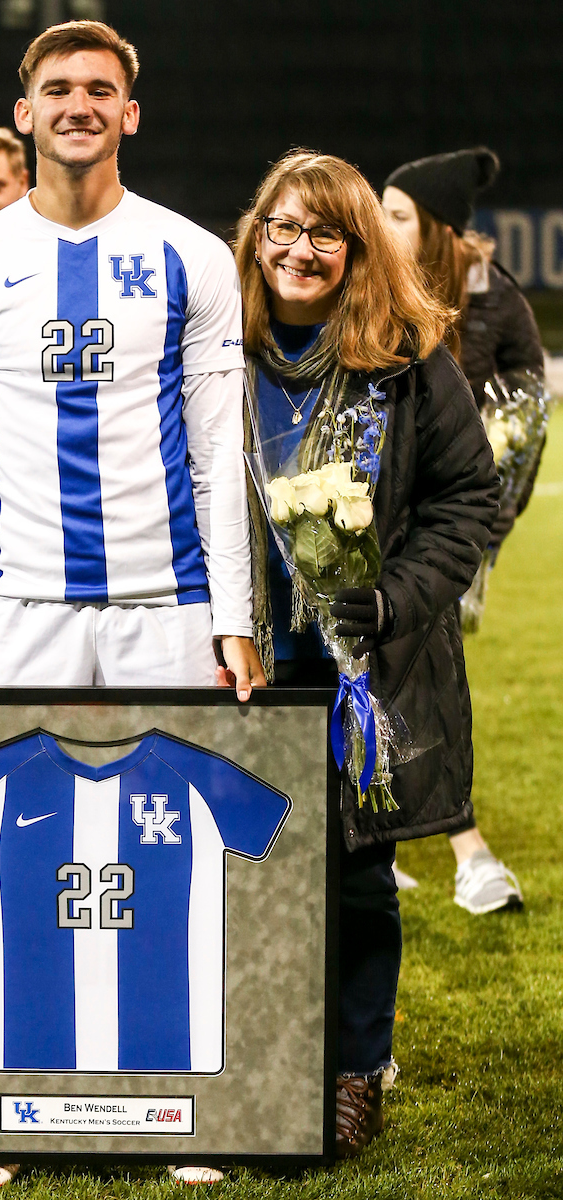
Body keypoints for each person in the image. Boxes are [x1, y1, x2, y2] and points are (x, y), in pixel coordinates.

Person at [0, 19, 263, 1188]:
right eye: (56, 88)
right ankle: (1, 1103)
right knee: (15, 862)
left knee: (172, 858)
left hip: (166, 602)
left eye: (99, 89)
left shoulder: (190, 256)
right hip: (18, 606)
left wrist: (236, 614)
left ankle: (174, 1100)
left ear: (130, 114)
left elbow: (221, 454)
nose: (78, 103)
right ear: (24, 114)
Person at [234, 150, 498, 1158]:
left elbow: (468, 498)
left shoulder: (407, 359)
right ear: (259, 237)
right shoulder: (215, 352)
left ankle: (353, 1069)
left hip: (363, 670)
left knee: (354, 878)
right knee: (246, 870)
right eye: (284, 229)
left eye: (325, 233)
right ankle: (255, 1057)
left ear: (356, 251)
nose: (301, 250)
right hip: (243, 665)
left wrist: (394, 602)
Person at [382, 147, 542, 913]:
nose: (380, 225)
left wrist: (485, 535)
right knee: (400, 673)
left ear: (437, 230)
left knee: (425, 673)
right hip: (373, 527)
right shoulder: (370, 289)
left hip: (449, 531)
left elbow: (524, 424)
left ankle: (457, 852)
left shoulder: (496, 300)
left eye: (399, 214)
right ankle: (451, 851)